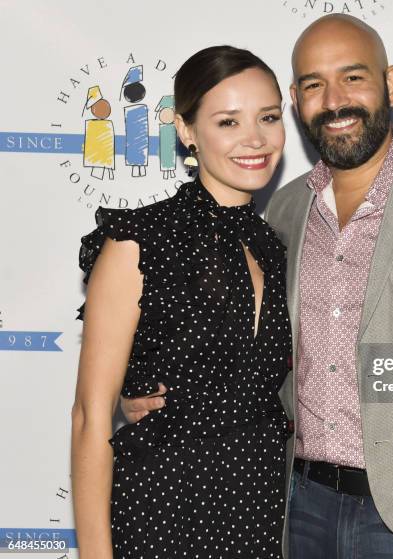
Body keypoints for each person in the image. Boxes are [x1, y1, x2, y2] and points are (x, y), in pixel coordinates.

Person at [123, 15, 393, 559]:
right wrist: (154, 391)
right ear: (296, 100)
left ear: (390, 84)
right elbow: (252, 355)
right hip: (297, 510)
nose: (334, 100)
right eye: (313, 84)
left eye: (353, 77)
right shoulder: (282, 210)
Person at [71, 45, 292, 559]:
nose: (254, 139)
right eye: (228, 122)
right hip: (162, 510)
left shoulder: (275, 244)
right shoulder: (138, 241)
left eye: (268, 117)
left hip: (258, 510)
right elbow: (89, 416)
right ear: (187, 131)